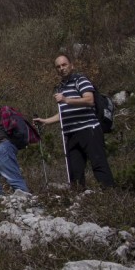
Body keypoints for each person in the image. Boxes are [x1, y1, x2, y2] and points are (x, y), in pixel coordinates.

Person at [33, 54, 114, 189]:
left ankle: (111, 195)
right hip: (71, 133)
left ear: (71, 65)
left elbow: (89, 100)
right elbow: (64, 112)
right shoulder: (61, 87)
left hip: (89, 129)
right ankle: (79, 201)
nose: (61, 68)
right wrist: (46, 121)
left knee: (99, 163)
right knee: (75, 170)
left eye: (64, 65)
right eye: (58, 67)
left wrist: (66, 100)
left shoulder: (80, 80)